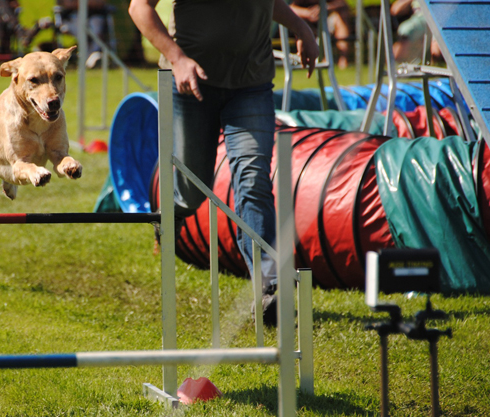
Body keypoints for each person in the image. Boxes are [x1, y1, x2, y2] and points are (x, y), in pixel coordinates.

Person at [128, 0, 319, 325]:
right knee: (191, 191)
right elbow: (138, 8)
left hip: (250, 85)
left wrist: (300, 27)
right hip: (189, 83)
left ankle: (269, 287)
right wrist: (177, 58)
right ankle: (168, 213)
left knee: (253, 178)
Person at [290, 0, 352, 69]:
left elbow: (343, 4)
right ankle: (305, 57)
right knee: (299, 23)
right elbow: (288, 7)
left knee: (340, 18)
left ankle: (342, 58)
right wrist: (307, 13)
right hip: (304, 22)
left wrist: (324, 8)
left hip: (325, 20)